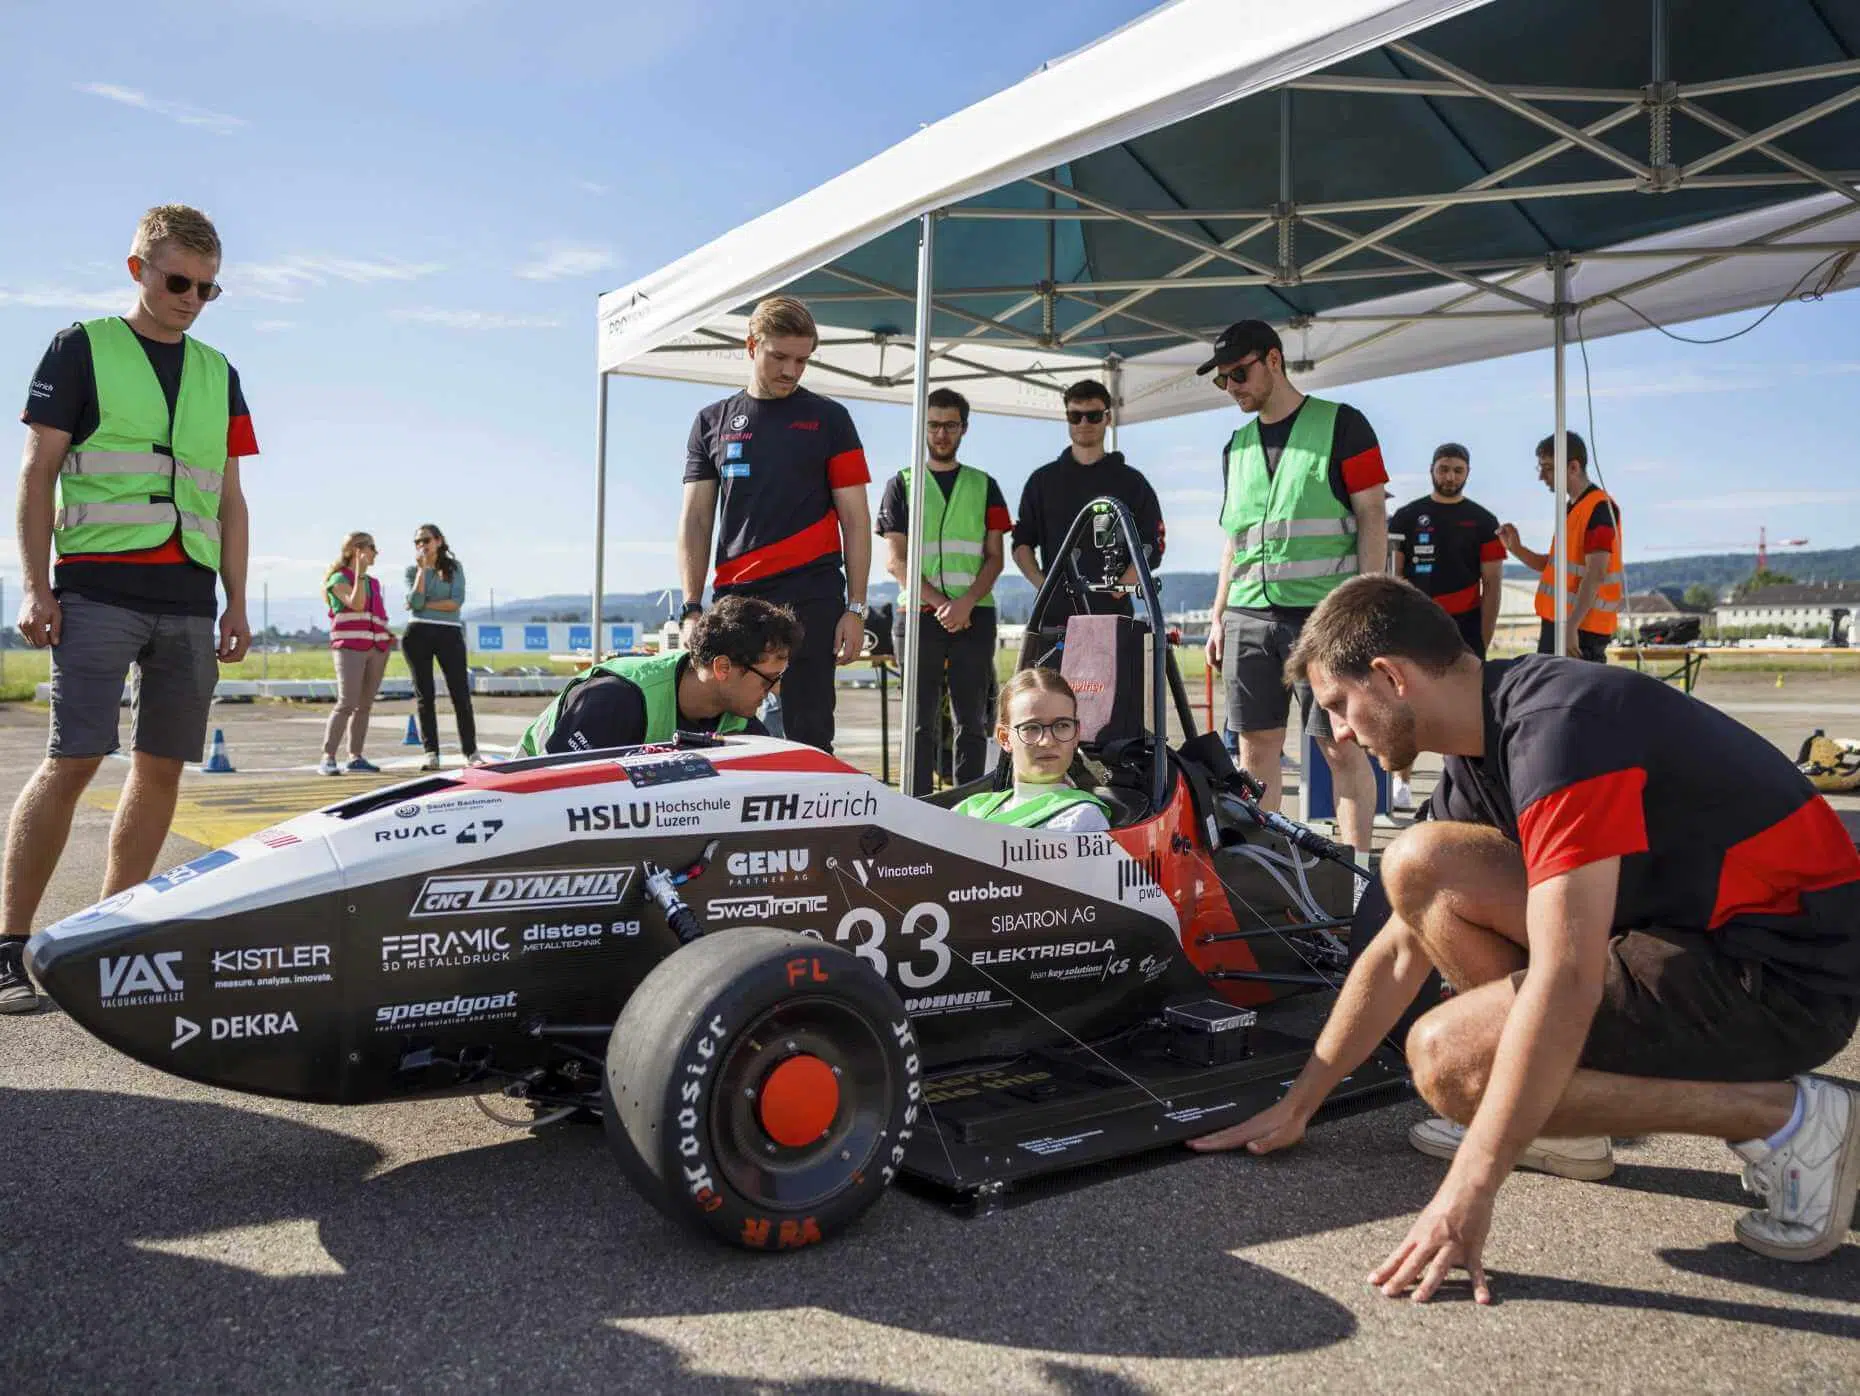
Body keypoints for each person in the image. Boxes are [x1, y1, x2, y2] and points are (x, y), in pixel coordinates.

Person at [1192, 574, 1860, 1297]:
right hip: (1689, 941)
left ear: (1389, 676)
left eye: (1338, 708)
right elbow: (1397, 950)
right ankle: (1561, 1121)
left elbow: (1567, 978)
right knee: (1422, 866)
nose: (1341, 733)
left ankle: (1789, 1119)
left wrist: (1468, 1189)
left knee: (1451, 1063)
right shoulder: (1484, 740)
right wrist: (1302, 1100)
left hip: (1785, 980)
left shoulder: (1561, 727)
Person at [3, 204, 256, 1017]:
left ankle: (105, 939)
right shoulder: (82, 348)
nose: (190, 298)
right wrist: (35, 585)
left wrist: (238, 602)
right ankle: (9, 945)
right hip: (97, 590)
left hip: (189, 601)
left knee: (159, 771)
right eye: (178, 281)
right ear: (137, 269)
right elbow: (38, 471)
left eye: (207, 289)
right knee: (74, 761)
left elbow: (233, 500)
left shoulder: (220, 370)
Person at [1200, 320, 1387, 859]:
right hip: (1247, 616)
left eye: (1238, 373)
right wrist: (1217, 616)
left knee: (1339, 748)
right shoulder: (1235, 447)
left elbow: (1372, 516)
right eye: (1222, 380)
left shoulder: (1344, 426)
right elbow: (1233, 541)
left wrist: (1364, 611)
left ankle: (1353, 879)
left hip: (1324, 618)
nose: (1231, 387)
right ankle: (1272, 872)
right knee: (1255, 751)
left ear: (1274, 361)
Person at [678, 296, 871, 754]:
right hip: (736, 599)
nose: (791, 371)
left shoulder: (831, 419)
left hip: (812, 593)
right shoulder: (711, 422)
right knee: (723, 730)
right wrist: (690, 605)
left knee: (809, 730)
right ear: (751, 346)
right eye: (779, 357)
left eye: (802, 360)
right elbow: (696, 518)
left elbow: (857, 521)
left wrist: (856, 608)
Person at [877, 387, 1013, 795]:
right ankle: (916, 804)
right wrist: (942, 605)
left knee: (972, 719)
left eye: (950, 425)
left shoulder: (985, 485)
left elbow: (995, 557)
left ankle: (969, 801)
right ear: (924, 428)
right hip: (919, 616)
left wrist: (966, 603)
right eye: (934, 425)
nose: (941, 434)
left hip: (975, 613)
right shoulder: (901, 484)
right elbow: (895, 560)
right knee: (918, 721)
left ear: (964, 429)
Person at [514, 595, 797, 755]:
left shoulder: (740, 721)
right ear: (722, 668)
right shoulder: (615, 700)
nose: (775, 690)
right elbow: (556, 797)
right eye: (768, 678)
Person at [1386, 443, 1504, 811]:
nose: (1449, 476)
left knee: (1464, 709)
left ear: (1467, 473)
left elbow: (1494, 584)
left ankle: (1459, 790)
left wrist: (1483, 636)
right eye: (1443, 468)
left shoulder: (1484, 521)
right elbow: (1394, 577)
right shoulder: (1408, 517)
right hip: (1416, 625)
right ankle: (1401, 781)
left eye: (1457, 469)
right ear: (1431, 470)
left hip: (1465, 627)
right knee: (1407, 702)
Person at [1010, 380, 1164, 623]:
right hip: (1055, 621)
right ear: (1067, 418)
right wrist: (1045, 587)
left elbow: (1152, 544)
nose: (1084, 423)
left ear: (1108, 418)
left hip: (1114, 618)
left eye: (1093, 416)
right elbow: (1021, 544)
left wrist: (1119, 589)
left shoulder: (1132, 483)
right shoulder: (1042, 482)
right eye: (1075, 416)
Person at [1497, 430, 1622, 663]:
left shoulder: (1599, 508)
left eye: (1548, 468)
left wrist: (1571, 625)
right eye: (1540, 468)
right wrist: (1516, 548)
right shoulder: (1571, 508)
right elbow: (1554, 565)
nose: (1542, 476)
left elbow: (1596, 572)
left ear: (1573, 467)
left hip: (1581, 628)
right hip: (1560, 623)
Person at [955, 669, 1111, 831]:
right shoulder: (971, 809)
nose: (1047, 741)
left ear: (1076, 733)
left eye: (1062, 726)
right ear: (1004, 737)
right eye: (1031, 728)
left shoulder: (1082, 817)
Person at [403, 523, 482, 770]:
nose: (422, 546)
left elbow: (455, 603)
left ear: (438, 541)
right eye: (417, 542)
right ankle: (431, 753)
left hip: (449, 633)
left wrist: (425, 604)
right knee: (424, 696)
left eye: (426, 540)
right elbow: (415, 602)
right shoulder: (412, 571)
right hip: (418, 632)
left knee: (460, 694)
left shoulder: (454, 568)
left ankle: (470, 751)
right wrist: (422, 573)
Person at [320, 531, 392, 775]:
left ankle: (355, 756)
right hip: (350, 648)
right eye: (372, 547)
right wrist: (359, 574)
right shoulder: (338, 579)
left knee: (364, 705)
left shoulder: (374, 583)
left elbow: (376, 614)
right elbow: (357, 604)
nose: (376, 553)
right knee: (347, 702)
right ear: (356, 550)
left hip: (377, 649)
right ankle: (328, 757)